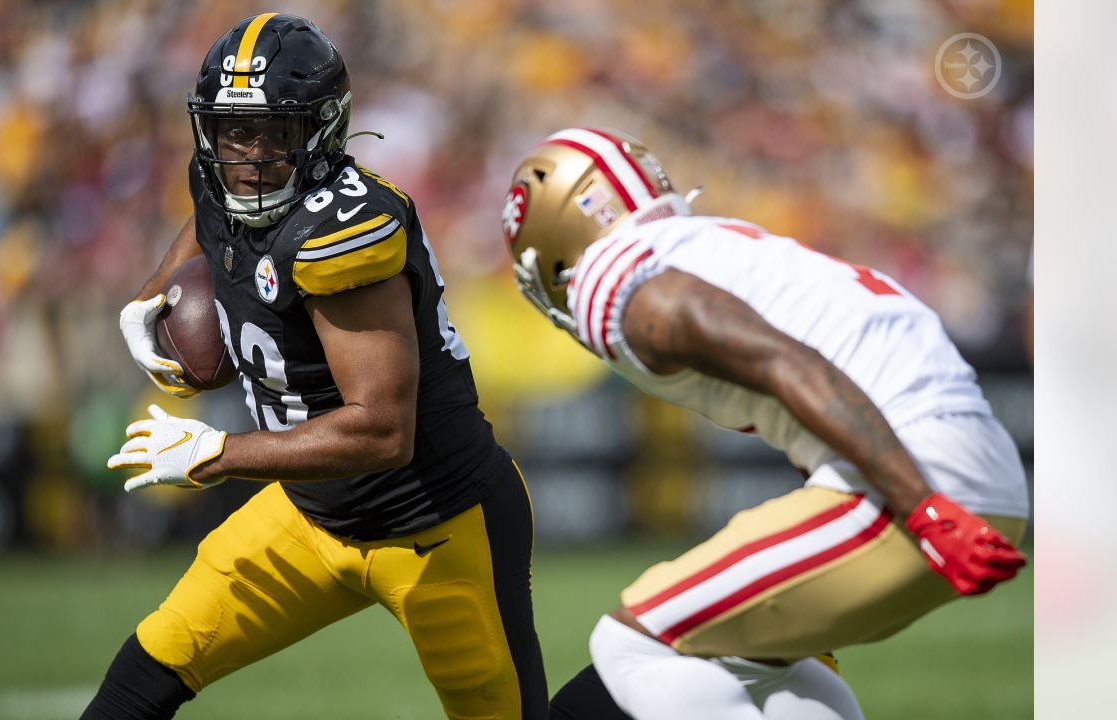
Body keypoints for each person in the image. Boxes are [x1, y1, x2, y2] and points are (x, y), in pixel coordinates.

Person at [81, 14, 547, 719]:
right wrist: (151, 296)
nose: (253, 157)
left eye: (277, 133)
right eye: (235, 131)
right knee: (141, 677)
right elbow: (211, 214)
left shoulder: (340, 233)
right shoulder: (222, 176)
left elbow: (382, 432)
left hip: (436, 525)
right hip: (309, 516)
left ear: (323, 131)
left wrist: (219, 452)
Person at [502, 128, 1029, 720]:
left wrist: (923, 504)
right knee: (744, 658)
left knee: (634, 644)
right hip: (972, 466)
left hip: (910, 477)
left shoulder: (622, 277)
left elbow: (783, 359)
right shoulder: (715, 246)